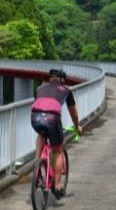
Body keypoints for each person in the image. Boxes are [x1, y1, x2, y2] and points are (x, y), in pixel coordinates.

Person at [30, 68, 83, 198]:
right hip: (52, 119)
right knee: (58, 150)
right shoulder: (66, 90)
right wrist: (77, 127)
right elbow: (73, 113)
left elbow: (39, 104)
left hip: (35, 117)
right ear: (62, 80)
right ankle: (58, 185)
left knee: (42, 134)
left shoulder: (39, 88)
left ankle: (37, 162)